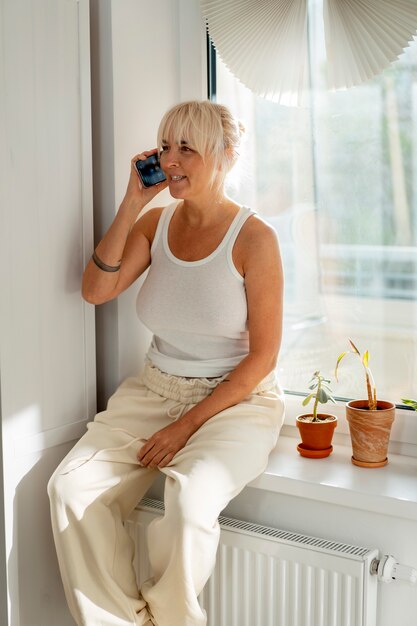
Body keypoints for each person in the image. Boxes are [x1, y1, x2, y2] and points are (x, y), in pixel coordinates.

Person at [48, 100, 285, 626]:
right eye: (165, 146)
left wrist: (185, 427)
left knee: (190, 505)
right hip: (156, 388)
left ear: (224, 156)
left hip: (236, 400)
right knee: (69, 489)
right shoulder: (156, 223)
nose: (170, 160)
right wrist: (134, 201)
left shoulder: (255, 239)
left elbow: (263, 356)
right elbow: (95, 289)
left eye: (187, 149)